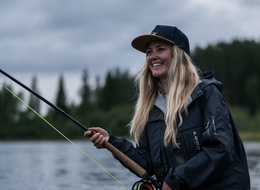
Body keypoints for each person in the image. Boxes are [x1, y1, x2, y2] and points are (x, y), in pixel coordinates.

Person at [84, 25, 250, 190]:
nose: (153, 57)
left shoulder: (206, 94)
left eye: (160, 49)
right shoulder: (150, 107)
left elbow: (219, 150)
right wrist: (111, 142)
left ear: (178, 54)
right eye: (149, 52)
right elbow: (146, 163)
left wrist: (176, 179)